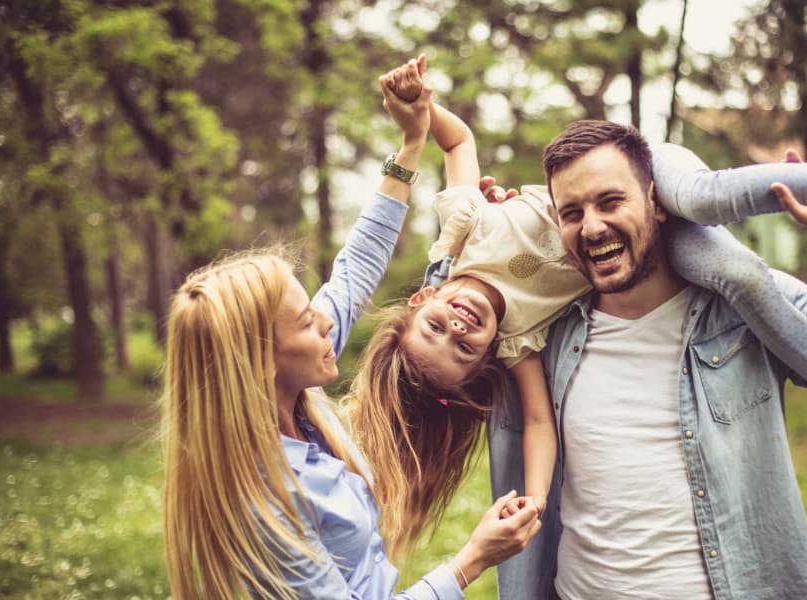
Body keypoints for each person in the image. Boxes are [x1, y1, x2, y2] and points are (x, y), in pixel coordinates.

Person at [352, 55, 807, 538]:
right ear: (485, 359)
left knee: (700, 198)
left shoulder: (463, 229)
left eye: (437, 328)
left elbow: (457, 147)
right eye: (462, 349)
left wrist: (421, 113)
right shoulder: (524, 340)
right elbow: (538, 420)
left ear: (419, 303)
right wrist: (535, 499)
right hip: (650, 232)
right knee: (739, 273)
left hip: (638, 163)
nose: (459, 327)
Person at [483, 121, 807, 599]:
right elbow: (441, 351)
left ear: (656, 202)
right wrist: (476, 243)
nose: (592, 226)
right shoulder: (548, 335)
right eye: (572, 212)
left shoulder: (752, 308)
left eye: (611, 201)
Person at [160, 71, 540, 600]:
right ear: (259, 362)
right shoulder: (263, 502)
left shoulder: (295, 388)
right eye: (305, 321)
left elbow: (357, 264)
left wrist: (410, 143)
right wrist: (472, 559)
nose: (327, 322)